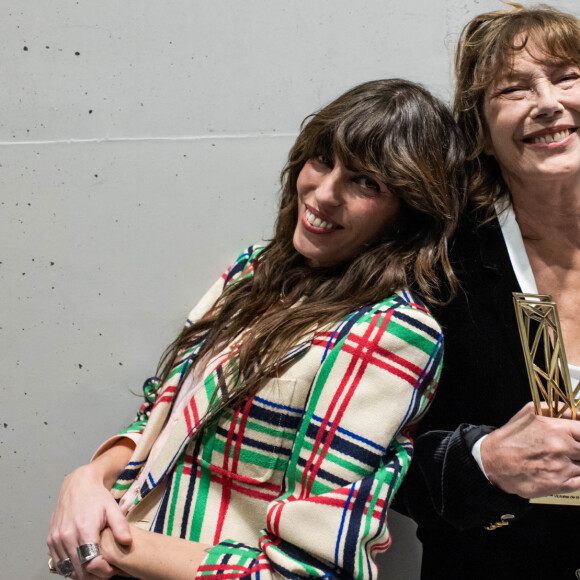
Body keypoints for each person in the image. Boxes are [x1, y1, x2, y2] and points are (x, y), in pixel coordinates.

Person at [46, 79, 464, 580]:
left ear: (409, 213)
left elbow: (306, 571)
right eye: (322, 160)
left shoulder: (389, 333)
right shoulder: (254, 271)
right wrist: (86, 479)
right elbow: (163, 415)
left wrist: (109, 545)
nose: (324, 193)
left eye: (366, 183)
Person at [393, 4, 580, 579]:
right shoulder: (434, 266)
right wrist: (482, 464)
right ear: (479, 128)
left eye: (568, 76)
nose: (547, 101)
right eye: (514, 88)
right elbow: (366, 458)